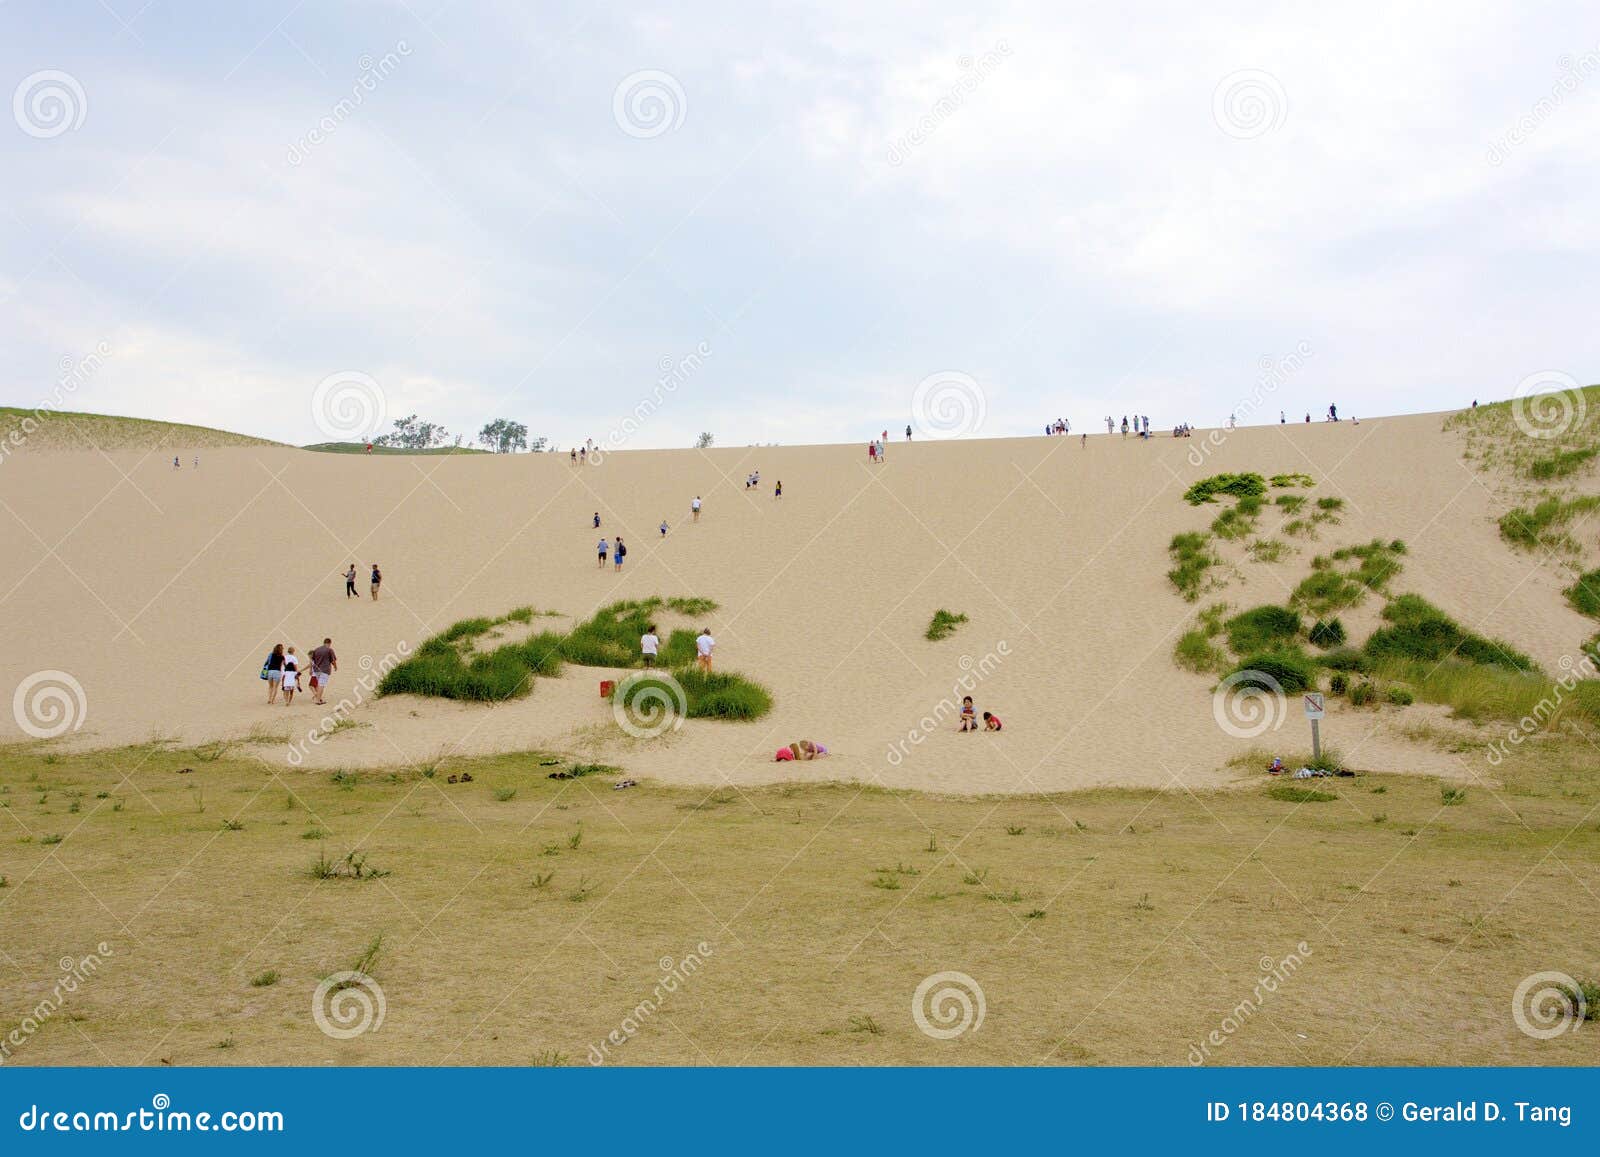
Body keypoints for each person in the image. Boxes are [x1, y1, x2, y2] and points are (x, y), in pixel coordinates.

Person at [310, 637, 337, 706]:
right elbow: (333, 660)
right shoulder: (329, 650)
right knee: (321, 684)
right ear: (329, 643)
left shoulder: (316, 649)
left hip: (316, 670)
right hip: (324, 670)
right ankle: (318, 700)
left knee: (319, 684)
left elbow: (312, 660)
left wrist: (311, 669)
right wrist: (335, 666)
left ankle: (319, 698)